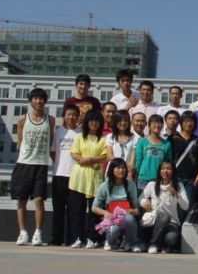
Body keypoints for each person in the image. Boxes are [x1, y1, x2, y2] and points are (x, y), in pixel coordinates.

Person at [12, 88, 56, 246]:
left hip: (41, 164)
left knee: (39, 199)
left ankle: (38, 233)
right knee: (22, 200)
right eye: (35, 98)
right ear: (30, 101)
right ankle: (22, 232)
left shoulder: (50, 120)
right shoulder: (22, 119)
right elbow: (19, 142)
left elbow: (51, 142)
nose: (38, 101)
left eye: (41, 98)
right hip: (24, 164)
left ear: (45, 101)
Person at [68, 109, 107, 248]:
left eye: (96, 121)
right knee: (77, 209)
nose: (94, 123)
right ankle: (77, 238)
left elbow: (105, 156)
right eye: (91, 120)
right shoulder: (79, 137)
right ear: (86, 122)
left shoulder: (103, 139)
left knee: (94, 210)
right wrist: (91, 162)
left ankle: (92, 238)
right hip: (79, 178)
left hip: (95, 178)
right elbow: (75, 154)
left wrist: (89, 159)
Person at [140, 161, 189, 253]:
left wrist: (176, 195)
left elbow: (186, 206)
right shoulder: (152, 185)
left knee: (172, 237)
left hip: (172, 223)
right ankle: (154, 244)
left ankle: (162, 244)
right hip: (153, 221)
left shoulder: (179, 186)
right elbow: (140, 200)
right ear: (159, 171)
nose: (165, 171)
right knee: (164, 217)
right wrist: (145, 201)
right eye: (163, 168)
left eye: (169, 169)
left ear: (173, 171)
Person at [92, 158, 140, 252]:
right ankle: (110, 242)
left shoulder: (131, 185)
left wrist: (134, 211)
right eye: (118, 168)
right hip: (112, 218)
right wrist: (105, 213)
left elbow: (136, 206)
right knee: (114, 229)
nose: (121, 170)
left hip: (126, 217)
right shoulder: (104, 186)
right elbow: (94, 207)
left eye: (123, 168)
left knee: (130, 219)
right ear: (112, 169)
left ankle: (132, 243)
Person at [50, 104, 81, 246]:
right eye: (68, 114)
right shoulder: (58, 132)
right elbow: (53, 152)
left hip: (75, 176)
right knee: (58, 209)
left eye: (74, 114)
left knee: (73, 210)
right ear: (64, 116)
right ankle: (56, 238)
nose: (71, 117)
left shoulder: (81, 133)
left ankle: (71, 239)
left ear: (78, 117)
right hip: (59, 174)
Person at [171, 110, 198, 220]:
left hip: (192, 180)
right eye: (186, 121)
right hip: (176, 178)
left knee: (187, 205)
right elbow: (168, 159)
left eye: (191, 121)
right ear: (181, 122)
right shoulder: (173, 139)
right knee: (175, 204)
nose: (189, 124)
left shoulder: (197, 141)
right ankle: (176, 227)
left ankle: (183, 227)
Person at [134, 114, 172, 193]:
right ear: (149, 125)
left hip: (159, 179)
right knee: (143, 200)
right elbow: (138, 160)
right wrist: (136, 176)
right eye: (154, 123)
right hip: (143, 179)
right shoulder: (142, 141)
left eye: (159, 123)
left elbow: (168, 163)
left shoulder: (166, 144)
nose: (157, 125)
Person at [106, 110, 136, 180]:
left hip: (127, 171)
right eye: (120, 121)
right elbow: (109, 156)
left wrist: (129, 168)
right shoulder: (110, 136)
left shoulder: (134, 137)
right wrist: (122, 166)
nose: (123, 123)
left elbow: (133, 157)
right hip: (113, 170)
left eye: (125, 121)